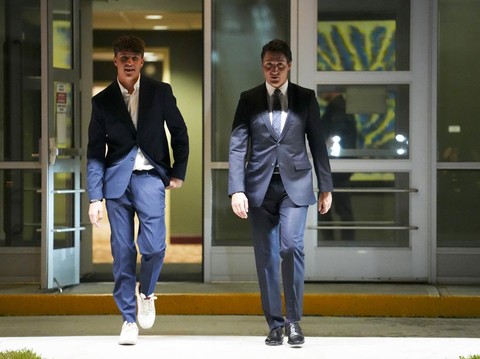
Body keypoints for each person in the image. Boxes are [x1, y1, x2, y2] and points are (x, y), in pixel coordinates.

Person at [228, 39, 333, 346]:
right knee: (266, 256)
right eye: (268, 65)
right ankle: (274, 324)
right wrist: (237, 189)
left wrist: (326, 186)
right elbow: (237, 147)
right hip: (258, 188)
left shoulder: (305, 97)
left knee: (291, 247)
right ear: (263, 66)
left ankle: (294, 321)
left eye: (280, 65)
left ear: (289, 65)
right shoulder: (248, 99)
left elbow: (317, 142)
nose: (274, 71)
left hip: (296, 186)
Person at [87, 35, 189, 345]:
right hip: (116, 181)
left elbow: (179, 132)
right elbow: (94, 151)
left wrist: (177, 172)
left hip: (149, 178)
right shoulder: (102, 101)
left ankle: (146, 291)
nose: (129, 62)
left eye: (135, 57)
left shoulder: (160, 92)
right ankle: (128, 319)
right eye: (124, 57)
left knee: (155, 247)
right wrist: (95, 197)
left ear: (142, 61)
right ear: (115, 61)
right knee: (122, 252)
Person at [320, 92, 356, 241]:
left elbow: (331, 137)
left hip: (334, 167)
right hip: (339, 167)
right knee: (341, 208)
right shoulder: (341, 108)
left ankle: (333, 242)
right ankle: (346, 242)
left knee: (328, 208)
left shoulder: (336, 110)